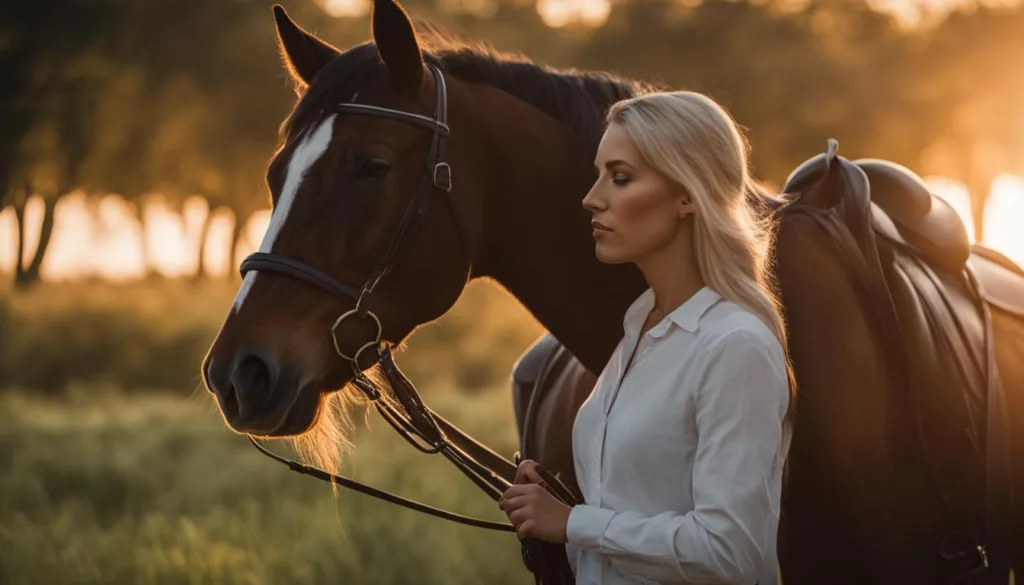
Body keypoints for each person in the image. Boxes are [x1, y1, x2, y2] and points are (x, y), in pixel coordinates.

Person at [497, 90, 796, 585]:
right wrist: (554, 511)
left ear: (686, 194)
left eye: (620, 178)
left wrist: (574, 523)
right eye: (599, 176)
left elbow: (729, 552)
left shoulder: (735, 345)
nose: (592, 198)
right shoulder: (639, 327)